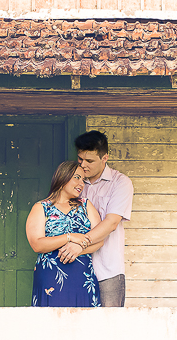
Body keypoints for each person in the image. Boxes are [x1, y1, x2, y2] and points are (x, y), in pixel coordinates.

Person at [67, 130, 133, 307]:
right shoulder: (73, 183)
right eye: (80, 159)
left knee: (109, 327)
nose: (83, 165)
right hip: (75, 265)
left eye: (89, 161)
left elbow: (111, 223)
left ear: (105, 158)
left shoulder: (121, 183)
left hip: (107, 268)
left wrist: (79, 244)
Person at [25, 161, 104, 307]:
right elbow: (37, 244)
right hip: (50, 278)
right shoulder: (42, 207)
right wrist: (70, 237)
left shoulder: (86, 205)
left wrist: (79, 249)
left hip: (83, 278)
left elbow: (100, 240)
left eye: (83, 180)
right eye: (77, 177)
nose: (82, 183)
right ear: (62, 178)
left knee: (83, 325)